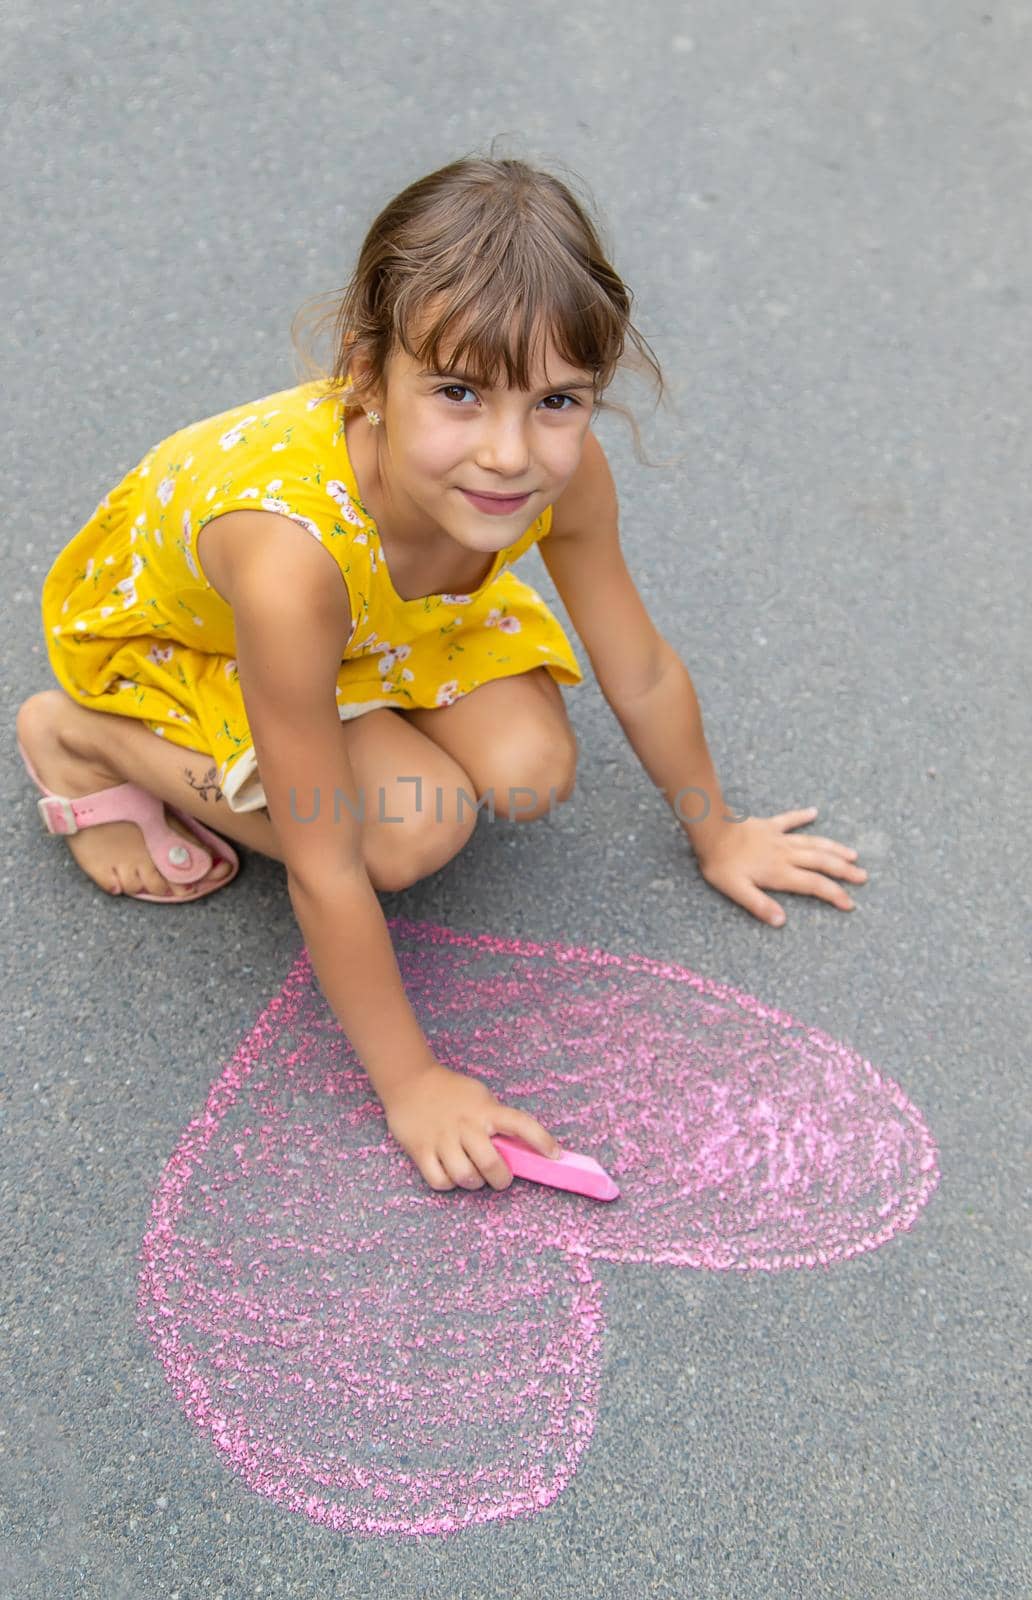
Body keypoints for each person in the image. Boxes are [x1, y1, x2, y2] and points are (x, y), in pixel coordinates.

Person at [16, 154, 868, 1195]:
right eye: (459, 392)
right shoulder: (288, 563)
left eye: (557, 399)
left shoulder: (545, 472)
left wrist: (716, 825)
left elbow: (636, 666)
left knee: (529, 766)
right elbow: (323, 860)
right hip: (204, 640)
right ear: (366, 373)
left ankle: (382, 702)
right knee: (407, 831)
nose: (511, 452)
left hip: (394, 612)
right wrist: (411, 1082)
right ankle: (81, 736)